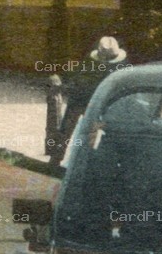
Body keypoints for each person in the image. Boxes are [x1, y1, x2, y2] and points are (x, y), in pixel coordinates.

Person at [48, 35, 128, 164]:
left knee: (91, 133)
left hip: (97, 103)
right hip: (81, 100)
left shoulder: (121, 66)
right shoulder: (90, 62)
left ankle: (83, 161)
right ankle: (57, 159)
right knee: (68, 130)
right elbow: (76, 75)